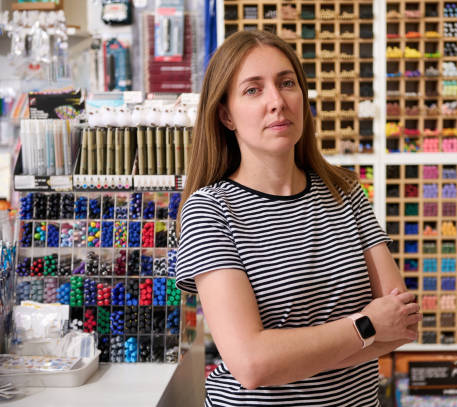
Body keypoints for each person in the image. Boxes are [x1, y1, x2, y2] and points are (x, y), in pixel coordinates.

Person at [176, 29, 421, 406]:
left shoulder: (345, 191)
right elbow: (252, 365)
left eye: (286, 83)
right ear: (225, 114)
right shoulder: (210, 210)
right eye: (253, 90)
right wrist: (367, 325)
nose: (277, 101)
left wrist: (287, 358)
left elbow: (403, 325)